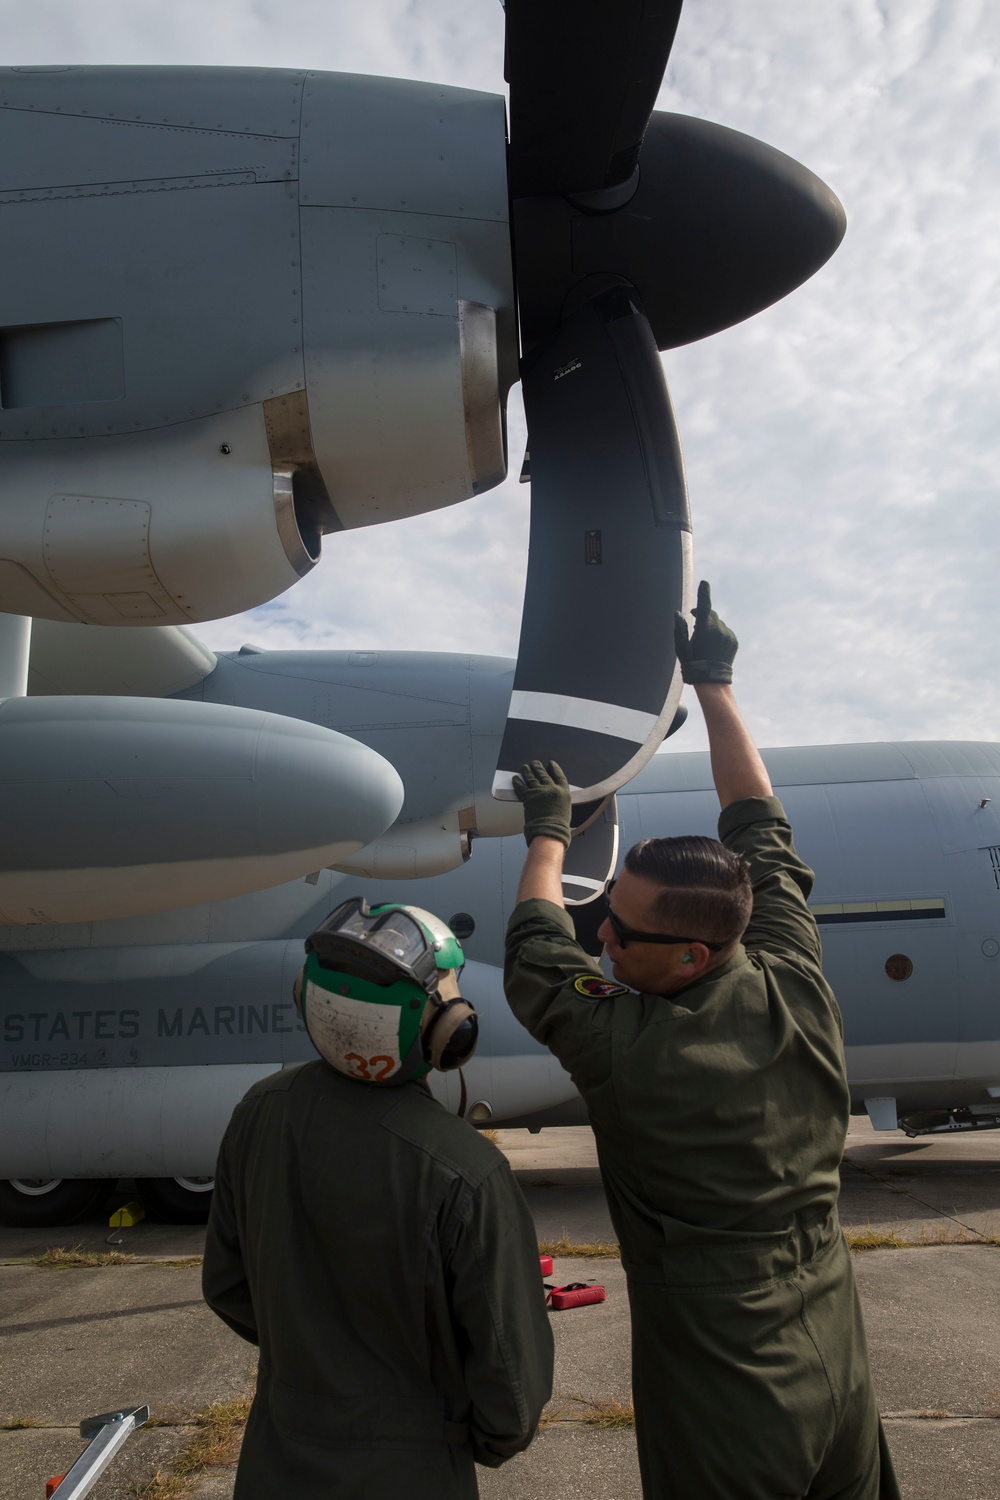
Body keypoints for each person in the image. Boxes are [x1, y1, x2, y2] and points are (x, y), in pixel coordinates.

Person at [503, 582, 900, 1500]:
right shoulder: (794, 979)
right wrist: (715, 683)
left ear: (690, 953)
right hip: (833, 1341)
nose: (600, 934)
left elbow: (533, 948)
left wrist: (548, 835)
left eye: (620, 932)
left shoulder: (629, 1050)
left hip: (729, 1373)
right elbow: (759, 825)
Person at [204, 896, 553, 1500]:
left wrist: (316, 1367)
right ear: (445, 1028)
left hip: (275, 1462)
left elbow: (228, 1286)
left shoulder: (258, 1113)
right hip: (411, 1473)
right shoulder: (468, 1172)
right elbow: (510, 1392)